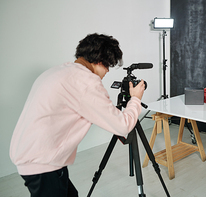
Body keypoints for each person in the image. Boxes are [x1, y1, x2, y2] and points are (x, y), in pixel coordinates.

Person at [10, 33, 146, 197]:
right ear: (98, 61)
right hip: (43, 163)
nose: (107, 72)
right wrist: (135, 99)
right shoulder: (85, 81)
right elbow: (123, 126)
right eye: (108, 66)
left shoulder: (59, 71)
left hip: (34, 155)